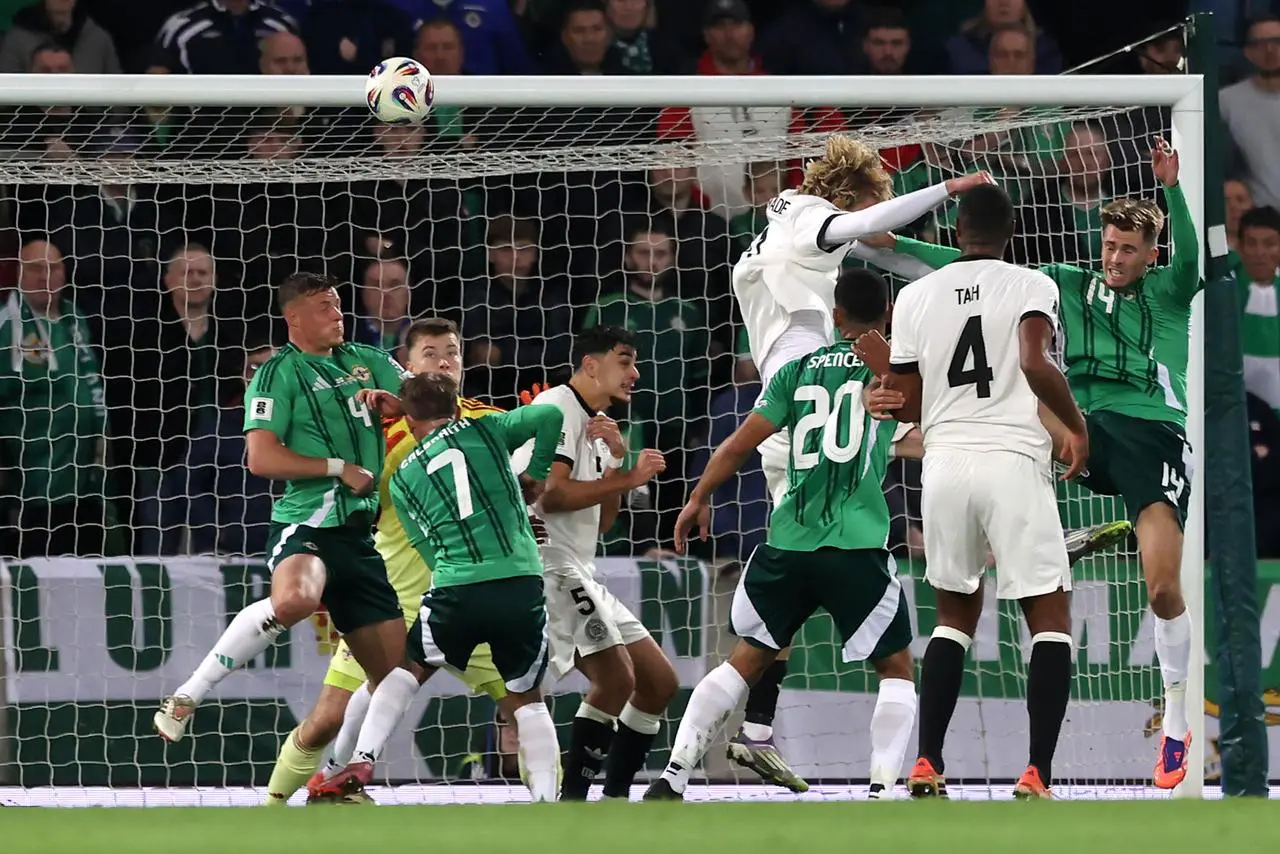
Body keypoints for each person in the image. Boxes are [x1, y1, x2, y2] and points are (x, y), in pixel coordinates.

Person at [872, 140, 1198, 789]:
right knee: (1009, 420)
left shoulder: (1170, 289)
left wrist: (1173, 191)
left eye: (1128, 249)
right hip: (1081, 426)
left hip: (1153, 436)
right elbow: (969, 269)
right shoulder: (1062, 283)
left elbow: (1187, 251)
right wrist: (888, 246)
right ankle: (1040, 534)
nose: (1114, 257)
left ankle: (1178, 720)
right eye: (1108, 245)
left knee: (1163, 588)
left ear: (1149, 255)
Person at [644, 269, 920, 801]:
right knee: (896, 666)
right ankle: (883, 788)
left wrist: (697, 498)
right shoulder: (893, 375)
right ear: (887, 317)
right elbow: (929, 424)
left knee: (745, 659)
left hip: (789, 541)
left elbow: (736, 445)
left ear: (834, 317)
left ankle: (672, 775)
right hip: (856, 545)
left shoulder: (796, 369)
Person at [862, 183, 1088, 800]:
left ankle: (928, 762)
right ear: (1010, 234)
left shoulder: (912, 295)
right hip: (1012, 458)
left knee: (954, 615)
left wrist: (880, 390)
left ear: (956, 232)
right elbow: (1037, 365)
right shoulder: (1032, 284)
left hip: (944, 466)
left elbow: (904, 399)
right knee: (1048, 615)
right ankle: (1037, 772)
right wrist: (1075, 423)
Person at [153, 272, 410, 744]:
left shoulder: (369, 361)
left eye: (338, 304)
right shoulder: (278, 374)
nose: (338, 315)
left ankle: (340, 777)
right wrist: (338, 466)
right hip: (308, 520)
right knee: (296, 600)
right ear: (294, 318)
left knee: (395, 680)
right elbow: (261, 458)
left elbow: (429, 405)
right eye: (324, 307)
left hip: (360, 535)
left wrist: (402, 402)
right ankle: (189, 693)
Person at [261, 317, 509, 805]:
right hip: (392, 595)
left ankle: (560, 813)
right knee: (329, 717)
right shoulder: (381, 433)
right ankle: (273, 805)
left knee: (523, 703)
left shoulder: (487, 421)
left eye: (453, 352)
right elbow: (351, 495)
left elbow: (519, 483)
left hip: (463, 592)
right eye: (431, 354)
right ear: (406, 368)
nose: (445, 362)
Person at [311, 372, 564, 803]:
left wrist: (449, 575)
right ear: (456, 405)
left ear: (409, 420)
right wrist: (536, 474)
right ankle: (545, 800)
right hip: (519, 581)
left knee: (403, 670)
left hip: (454, 588)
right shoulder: (487, 427)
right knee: (527, 697)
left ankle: (363, 758)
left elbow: (424, 546)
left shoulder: (405, 475)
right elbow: (550, 414)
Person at [519, 326, 678, 800]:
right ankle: (573, 806)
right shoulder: (557, 408)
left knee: (658, 683)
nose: (635, 372)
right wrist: (629, 478)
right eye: (625, 360)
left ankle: (613, 800)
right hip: (547, 564)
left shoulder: (597, 421)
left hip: (578, 565)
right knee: (616, 680)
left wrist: (614, 462)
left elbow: (603, 522)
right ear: (591, 364)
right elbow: (554, 493)